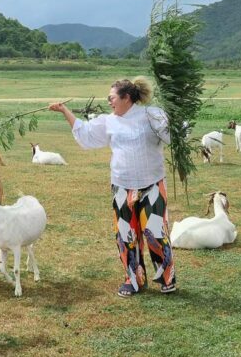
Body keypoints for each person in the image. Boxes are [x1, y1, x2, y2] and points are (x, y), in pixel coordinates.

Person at [49, 77, 176, 297]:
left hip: (152, 183)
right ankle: (133, 279)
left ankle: (166, 277)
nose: (109, 102)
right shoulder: (109, 121)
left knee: (155, 230)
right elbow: (86, 134)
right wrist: (64, 111)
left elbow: (170, 136)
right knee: (125, 234)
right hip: (121, 186)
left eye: (112, 98)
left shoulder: (151, 114)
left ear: (127, 98)